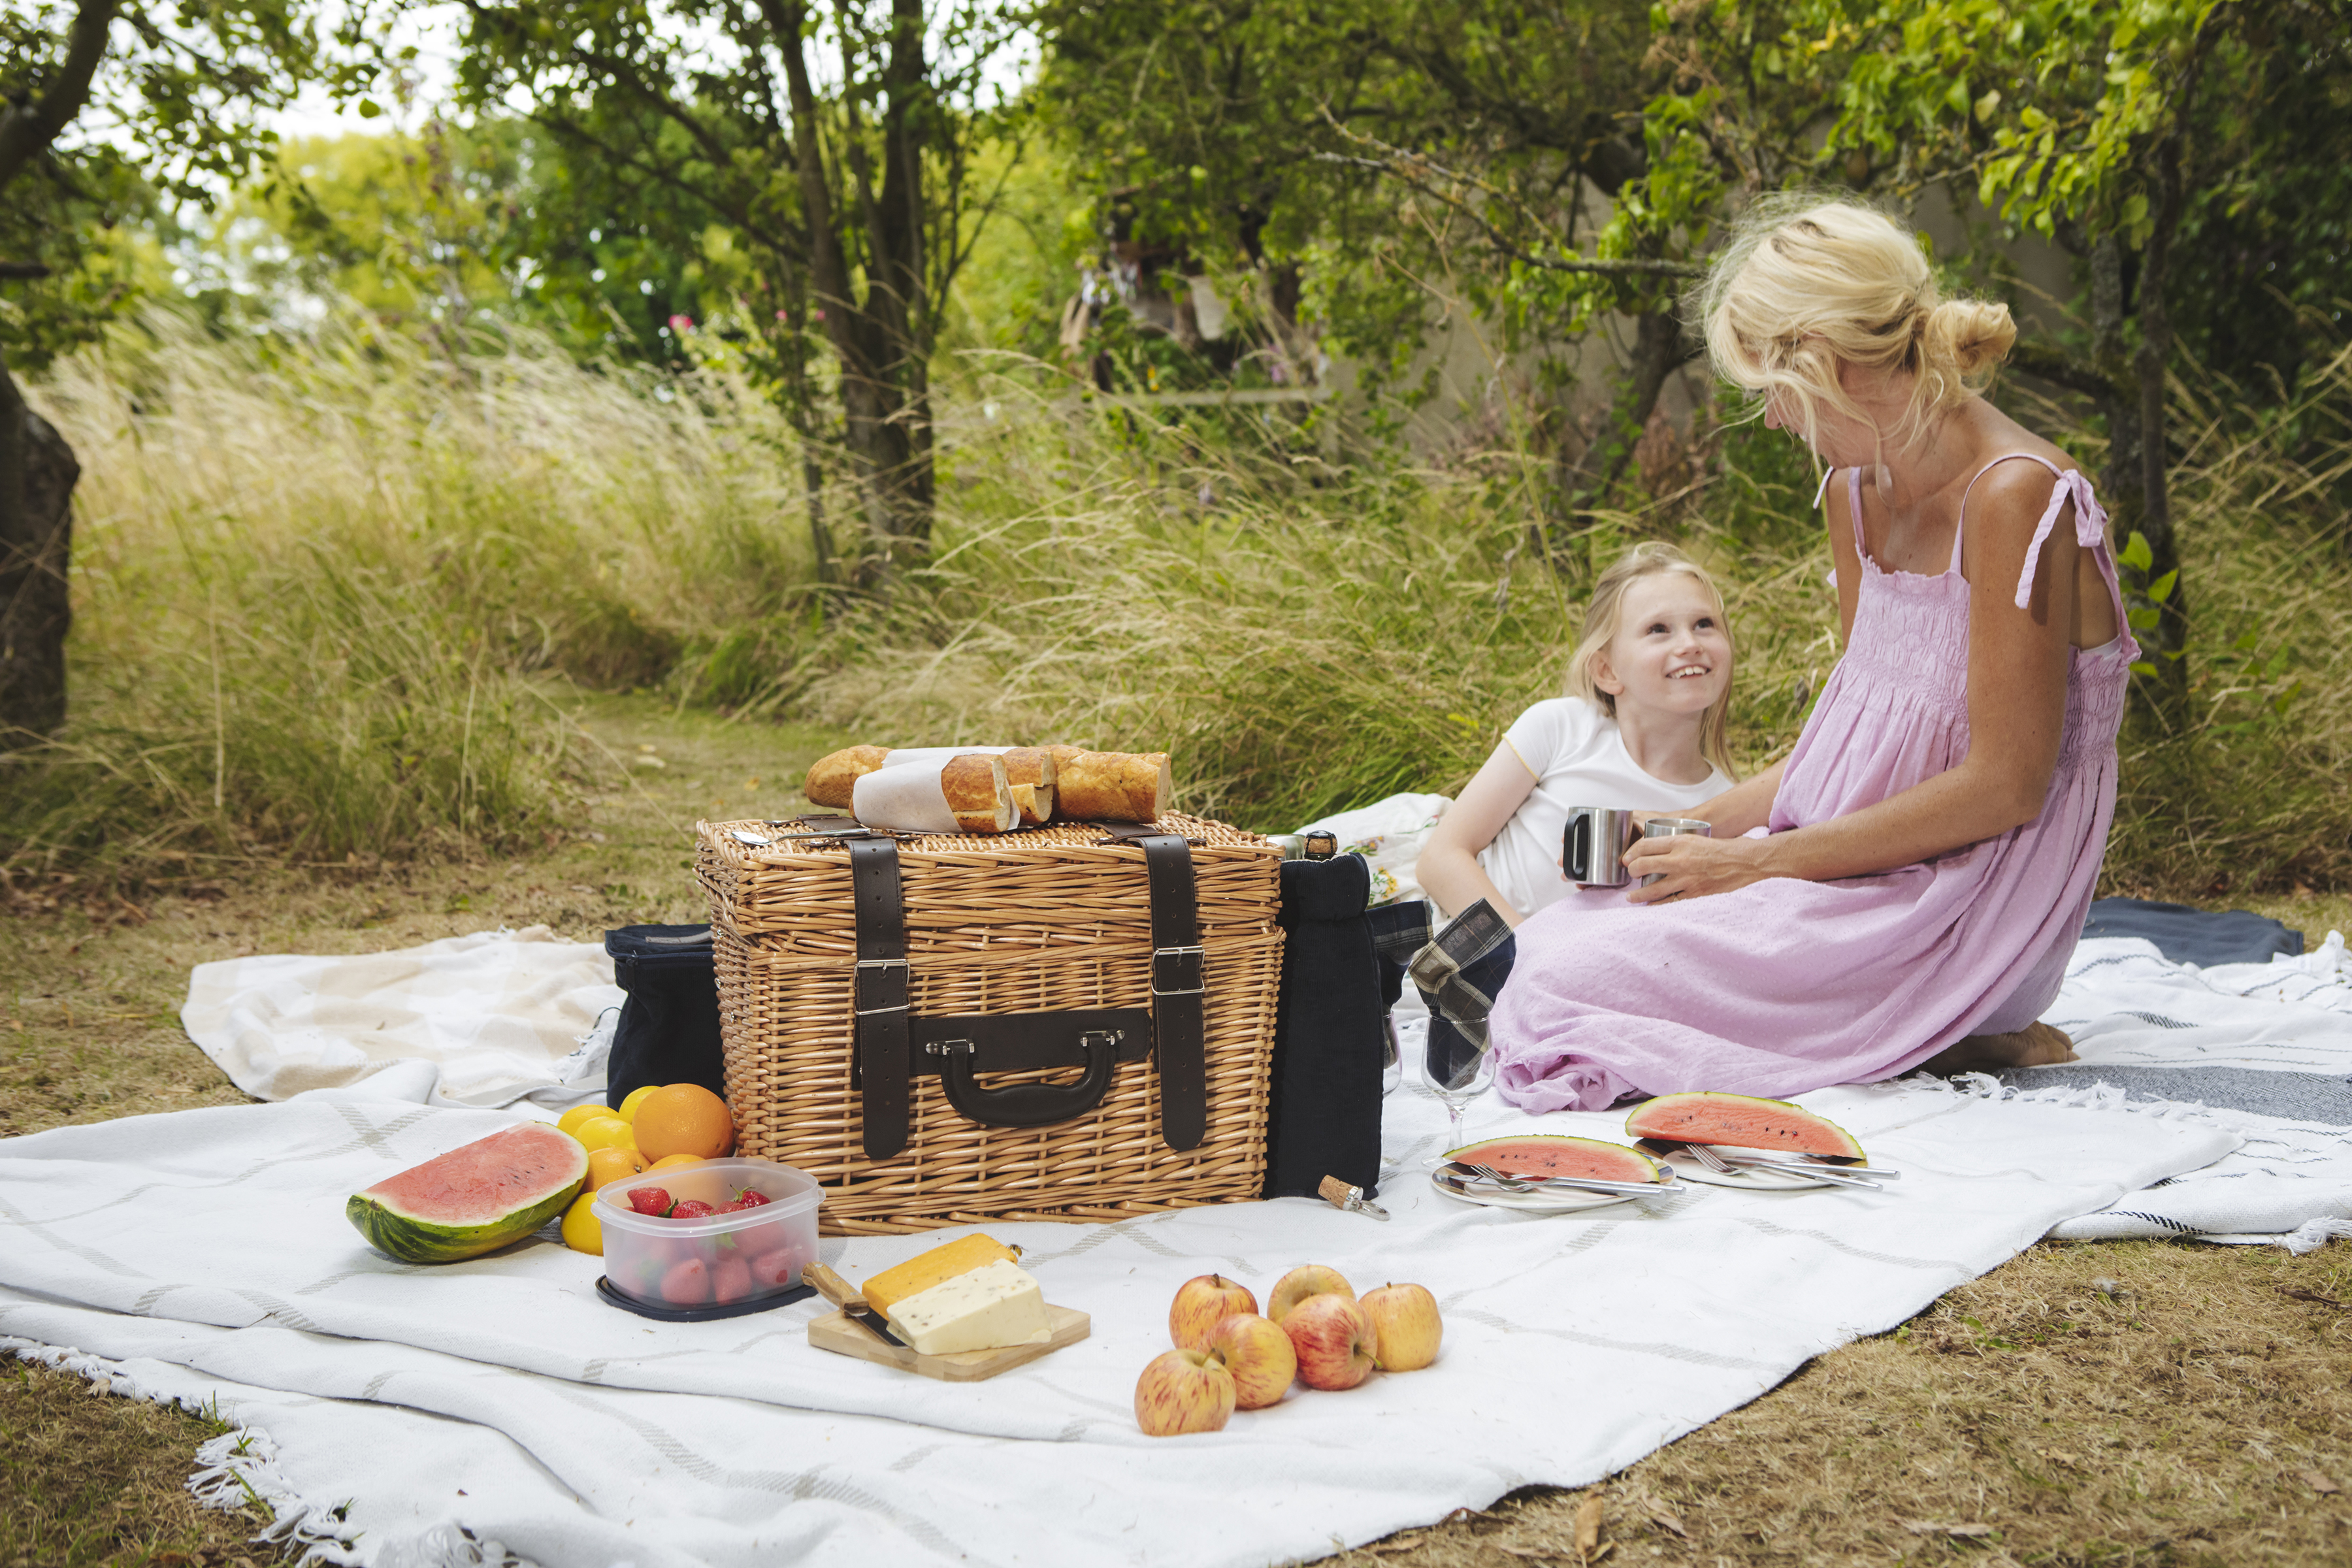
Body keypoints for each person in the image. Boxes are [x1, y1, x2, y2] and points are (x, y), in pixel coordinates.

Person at [1486, 197, 2132, 1114]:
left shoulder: (2016, 497)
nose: (1776, 423)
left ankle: (1953, 1021)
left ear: (1824, 362)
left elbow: (2006, 786)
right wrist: (1689, 831)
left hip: (1964, 907)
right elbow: (1848, 756)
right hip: (1846, 863)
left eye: (1771, 393)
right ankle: (1895, 1029)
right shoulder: (1856, 493)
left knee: (1564, 980)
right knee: (1564, 931)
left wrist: (1750, 866)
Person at [1414, 542, 1739, 927]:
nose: (1690, 644)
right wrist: (1527, 952)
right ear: (1607, 671)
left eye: (1705, 624)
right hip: (1471, 936)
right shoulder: (1561, 728)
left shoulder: (1727, 806)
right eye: (1658, 629)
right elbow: (1441, 858)